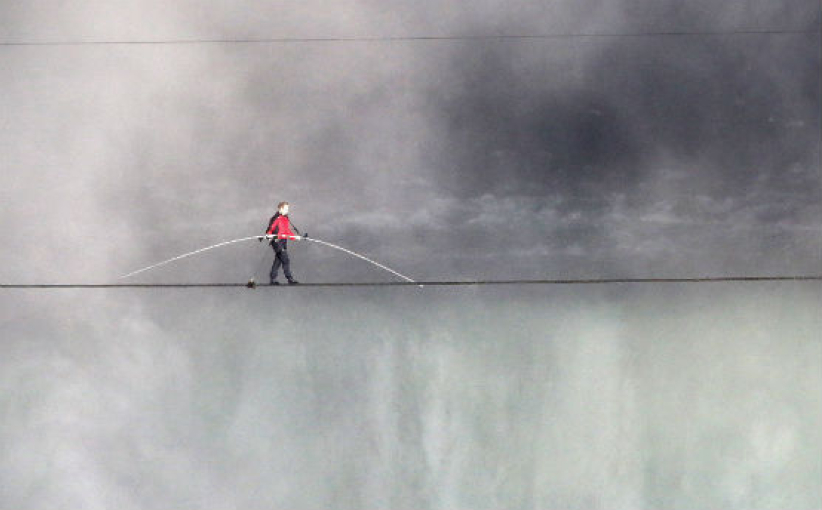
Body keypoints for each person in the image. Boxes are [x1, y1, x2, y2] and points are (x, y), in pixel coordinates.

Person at [265, 201, 302, 285]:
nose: (287, 211)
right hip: (277, 241)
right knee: (285, 259)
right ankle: (290, 279)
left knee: (278, 260)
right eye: (286, 209)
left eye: (288, 209)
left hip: (283, 241)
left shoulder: (285, 218)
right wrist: (269, 235)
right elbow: (270, 229)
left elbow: (287, 231)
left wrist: (295, 237)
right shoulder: (276, 218)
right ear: (280, 209)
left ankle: (272, 279)